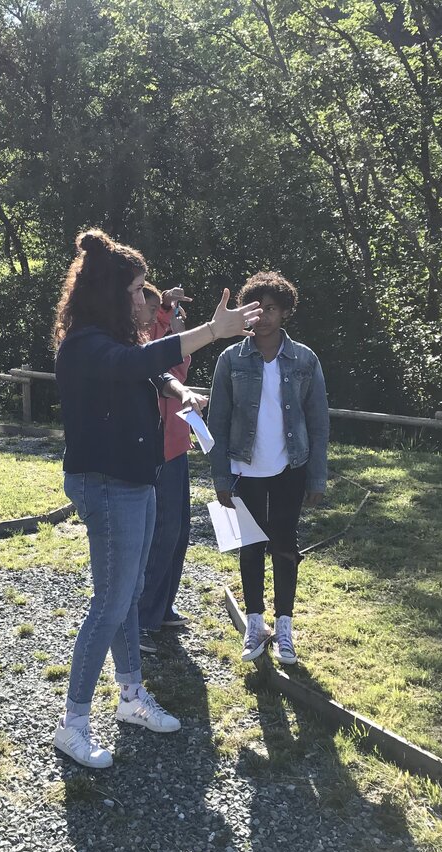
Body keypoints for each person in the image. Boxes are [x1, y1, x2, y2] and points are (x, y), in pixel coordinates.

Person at [53, 229, 260, 768]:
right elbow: (131, 366)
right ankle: (73, 723)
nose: (149, 299)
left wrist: (180, 390)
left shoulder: (119, 341)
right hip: (106, 484)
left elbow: (149, 368)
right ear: (110, 294)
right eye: (140, 290)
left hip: (135, 479)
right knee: (110, 604)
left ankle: (130, 696)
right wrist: (213, 331)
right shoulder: (85, 346)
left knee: (128, 593)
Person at [206, 272, 329, 666]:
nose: (263, 317)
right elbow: (218, 421)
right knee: (251, 546)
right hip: (245, 470)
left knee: (285, 545)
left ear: (285, 312)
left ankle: (286, 626)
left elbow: (318, 420)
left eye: (272, 309)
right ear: (247, 313)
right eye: (256, 309)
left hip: (291, 468)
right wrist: (221, 476)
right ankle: (255, 624)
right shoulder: (231, 359)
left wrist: (317, 475)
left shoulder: (305, 359)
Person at [136, 283, 194, 653]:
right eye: (154, 306)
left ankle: (161, 606)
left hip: (176, 442)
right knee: (159, 532)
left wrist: (171, 316)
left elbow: (180, 367)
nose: (162, 312)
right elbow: (157, 364)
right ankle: (141, 617)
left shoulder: (164, 326)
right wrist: (165, 315)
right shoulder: (132, 339)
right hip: (154, 447)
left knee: (178, 529)